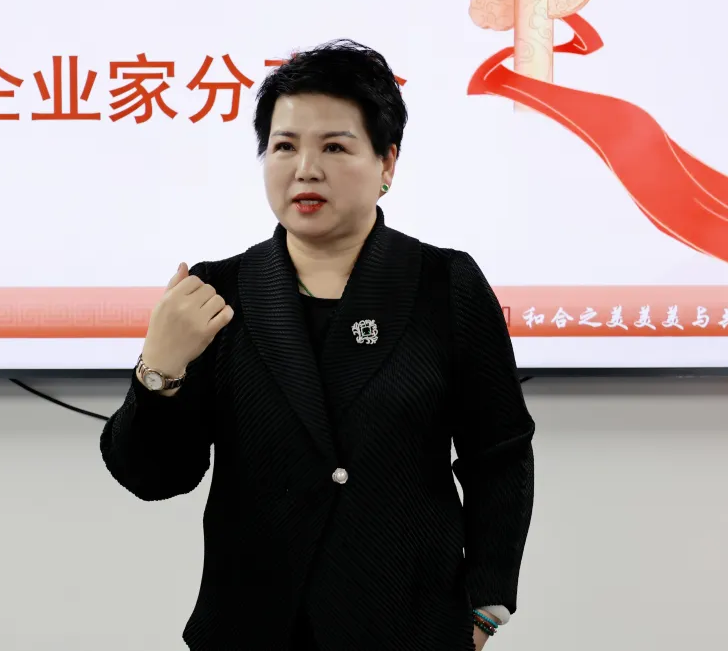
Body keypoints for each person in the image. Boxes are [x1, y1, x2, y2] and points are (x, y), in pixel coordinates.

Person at [100, 39, 535, 651]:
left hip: (408, 628)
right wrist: (159, 368)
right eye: (284, 146)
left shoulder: (445, 283)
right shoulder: (218, 293)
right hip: (254, 631)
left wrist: (487, 607)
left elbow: (499, 455)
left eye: (335, 146)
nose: (305, 168)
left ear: (387, 163)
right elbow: (154, 477)